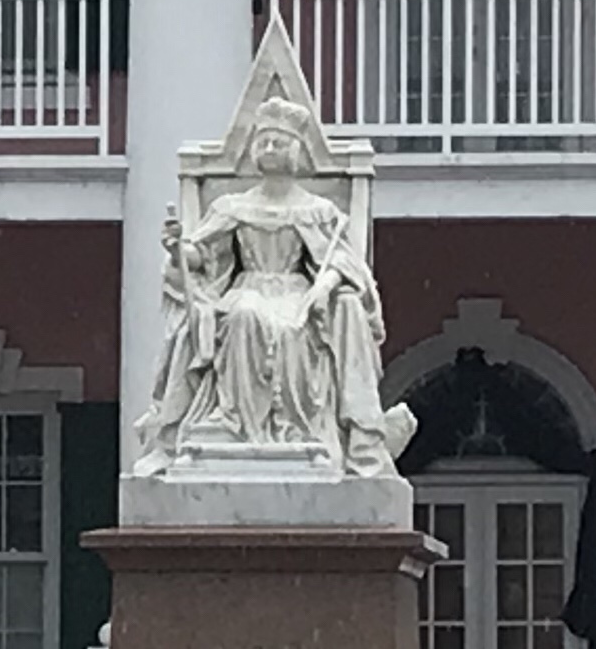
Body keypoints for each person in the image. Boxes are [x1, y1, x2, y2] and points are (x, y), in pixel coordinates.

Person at [138, 98, 413, 477]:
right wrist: (177, 249)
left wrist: (324, 288)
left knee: (298, 328)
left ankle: (295, 428)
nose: (269, 148)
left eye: (278, 142)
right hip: (248, 286)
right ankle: (238, 423)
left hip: (297, 292)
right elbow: (203, 254)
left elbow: (342, 262)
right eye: (263, 141)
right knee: (244, 314)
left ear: (296, 150)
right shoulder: (232, 206)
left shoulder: (318, 211)